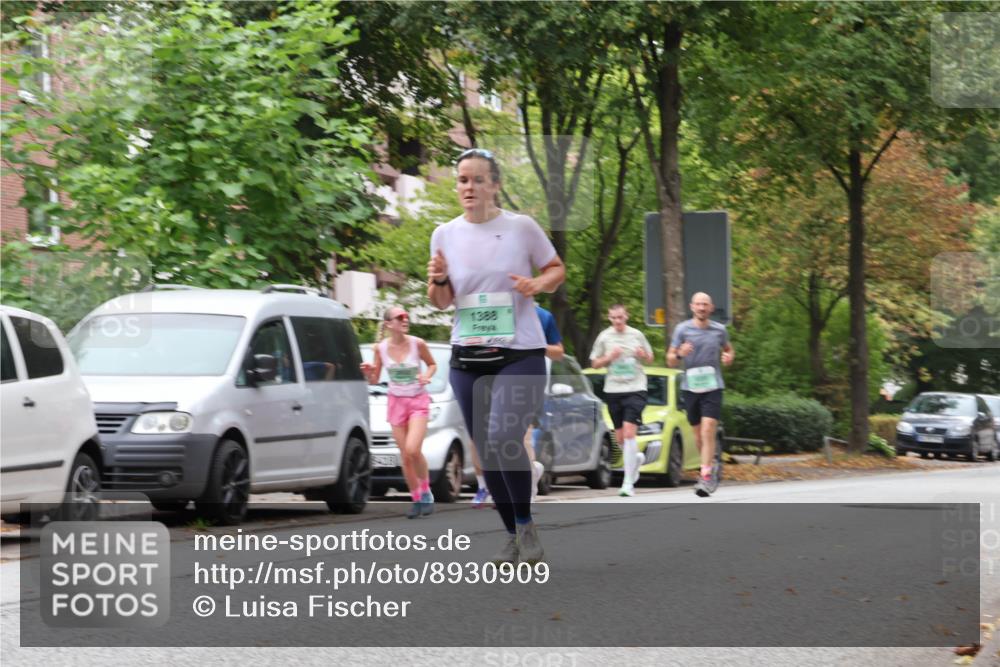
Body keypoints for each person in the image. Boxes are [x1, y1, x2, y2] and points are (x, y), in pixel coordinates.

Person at [428, 147, 565, 565]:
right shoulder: (444, 234)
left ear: (495, 184)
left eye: (478, 179)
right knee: (487, 456)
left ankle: (525, 525)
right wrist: (438, 280)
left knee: (505, 438)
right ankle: (514, 533)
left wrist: (537, 285)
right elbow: (441, 302)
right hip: (468, 356)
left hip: (519, 353)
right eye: (462, 180)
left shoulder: (521, 227)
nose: (469, 187)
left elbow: (556, 270)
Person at [470, 304, 562, 507]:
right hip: (492, 382)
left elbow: (558, 352)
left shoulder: (543, 315)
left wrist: (536, 345)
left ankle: (525, 490)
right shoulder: (493, 307)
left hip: (527, 383)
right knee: (487, 436)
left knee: (520, 436)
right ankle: (498, 485)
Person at [360, 307, 438, 518]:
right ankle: (416, 499)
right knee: (405, 456)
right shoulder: (381, 348)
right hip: (396, 403)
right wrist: (368, 373)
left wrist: (427, 376)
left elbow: (432, 364)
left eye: (406, 316)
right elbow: (375, 380)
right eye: (399, 317)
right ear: (388, 324)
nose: (405, 320)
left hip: (417, 401)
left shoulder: (417, 343)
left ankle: (426, 493)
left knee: (413, 449)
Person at [667, 292, 734, 497]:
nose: (702, 308)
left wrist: (728, 357)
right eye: (698, 304)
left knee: (708, 429)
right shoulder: (682, 329)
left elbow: (729, 350)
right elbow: (670, 360)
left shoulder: (719, 330)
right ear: (692, 307)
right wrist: (680, 354)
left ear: (711, 308)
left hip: (713, 386)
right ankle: (710, 464)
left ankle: (705, 476)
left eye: (705, 304)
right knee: (698, 435)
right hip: (691, 387)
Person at [589, 304, 654, 497]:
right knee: (619, 438)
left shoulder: (636, 335)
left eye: (620, 317)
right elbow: (594, 364)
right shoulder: (604, 337)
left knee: (628, 433)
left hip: (636, 388)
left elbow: (650, 358)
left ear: (627, 316)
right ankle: (636, 460)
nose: (617, 321)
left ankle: (627, 483)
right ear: (609, 318)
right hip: (613, 390)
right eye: (614, 318)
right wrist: (609, 357)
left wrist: (643, 355)